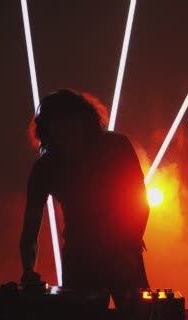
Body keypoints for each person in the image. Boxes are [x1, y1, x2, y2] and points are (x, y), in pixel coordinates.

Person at [19, 89, 150, 317]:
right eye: (58, 124)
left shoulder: (116, 147)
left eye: (70, 123)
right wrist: (28, 271)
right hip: (81, 258)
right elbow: (29, 230)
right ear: (48, 129)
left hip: (122, 253)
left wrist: (129, 251)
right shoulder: (45, 168)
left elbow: (140, 204)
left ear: (85, 121)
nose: (65, 131)